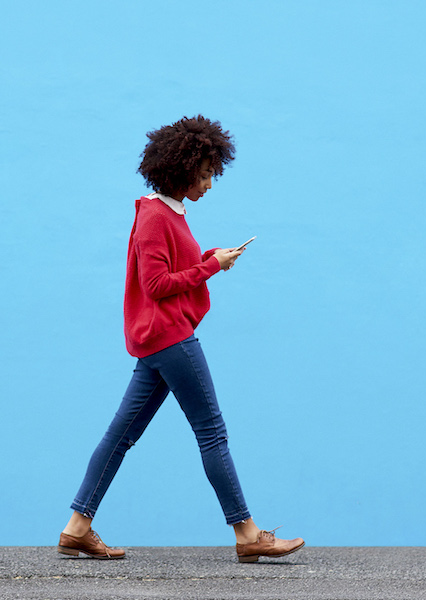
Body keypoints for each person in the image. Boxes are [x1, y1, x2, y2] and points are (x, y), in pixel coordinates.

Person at [57, 115, 304, 563]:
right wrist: (211, 268)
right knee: (211, 432)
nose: (210, 183)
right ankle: (248, 535)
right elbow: (156, 284)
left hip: (156, 341)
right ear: (182, 168)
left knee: (120, 435)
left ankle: (77, 527)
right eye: (206, 173)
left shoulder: (167, 212)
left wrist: (211, 256)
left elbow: (173, 269)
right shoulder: (154, 215)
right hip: (171, 339)